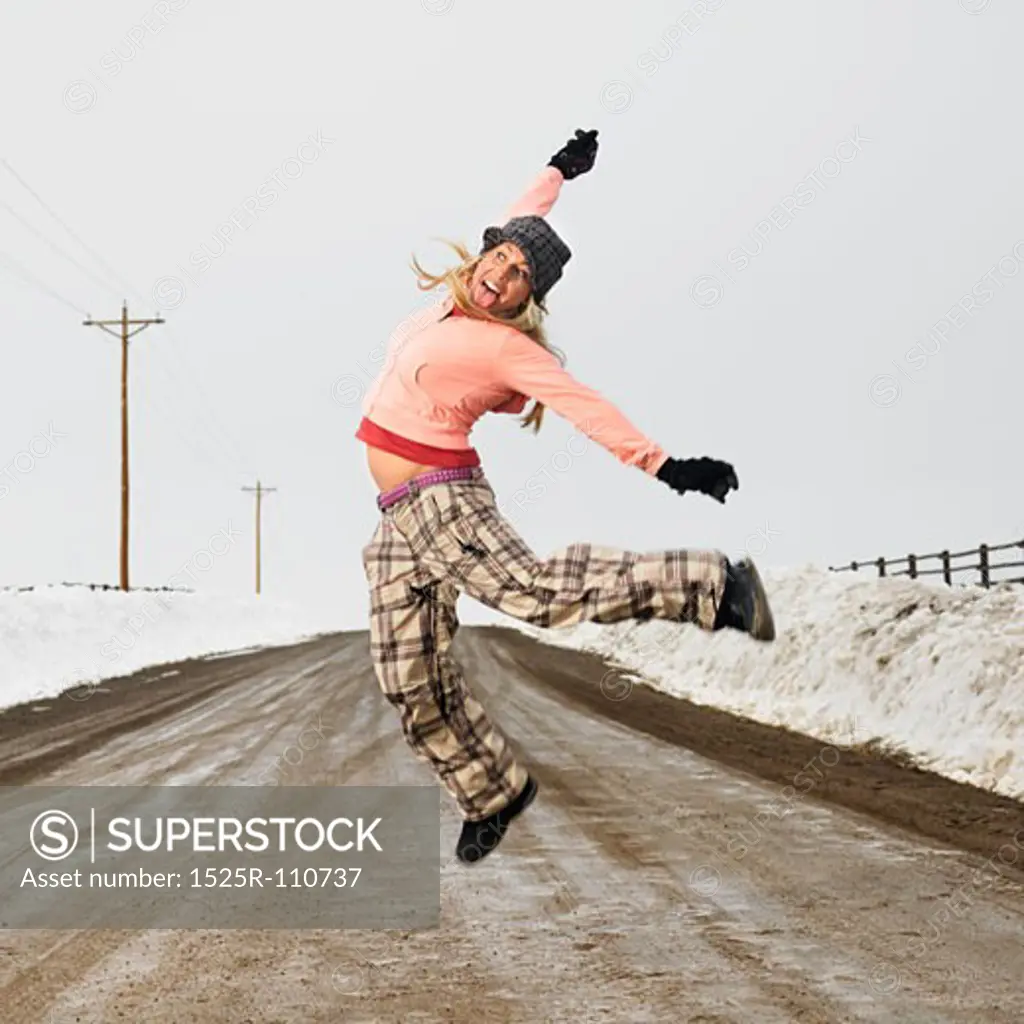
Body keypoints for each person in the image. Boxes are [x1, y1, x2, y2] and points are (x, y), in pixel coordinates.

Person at [358, 128, 775, 866]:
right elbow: (525, 212)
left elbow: (585, 408)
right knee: (407, 677)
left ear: (527, 297)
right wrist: (558, 171)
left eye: (520, 274)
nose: (503, 274)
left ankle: (716, 587)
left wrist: (670, 466)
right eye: (500, 258)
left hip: (446, 504)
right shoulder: (451, 304)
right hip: (398, 522)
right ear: (482, 256)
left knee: (537, 594)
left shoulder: (508, 350)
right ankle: (491, 791)